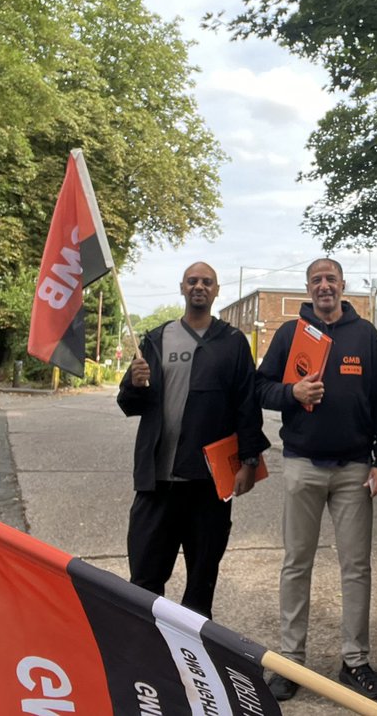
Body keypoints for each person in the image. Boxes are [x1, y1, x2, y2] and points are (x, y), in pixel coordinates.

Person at [255, 258, 377, 702]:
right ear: (308, 287)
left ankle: (355, 660)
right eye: (316, 279)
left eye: (330, 278)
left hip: (355, 468)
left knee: (356, 566)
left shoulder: (365, 335)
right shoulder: (289, 334)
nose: (323, 286)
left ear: (343, 285)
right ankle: (291, 661)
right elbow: (260, 388)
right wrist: (291, 393)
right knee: (297, 563)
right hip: (303, 464)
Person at [116, 262, 268, 620]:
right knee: (144, 579)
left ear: (216, 291)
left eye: (207, 282)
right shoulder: (156, 339)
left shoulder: (232, 342)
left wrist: (249, 461)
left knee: (201, 584)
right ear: (182, 288)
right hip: (157, 481)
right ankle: (145, 643)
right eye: (193, 281)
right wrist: (134, 384)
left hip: (207, 485)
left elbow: (247, 404)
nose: (199, 286)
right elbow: (129, 404)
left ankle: (192, 649)